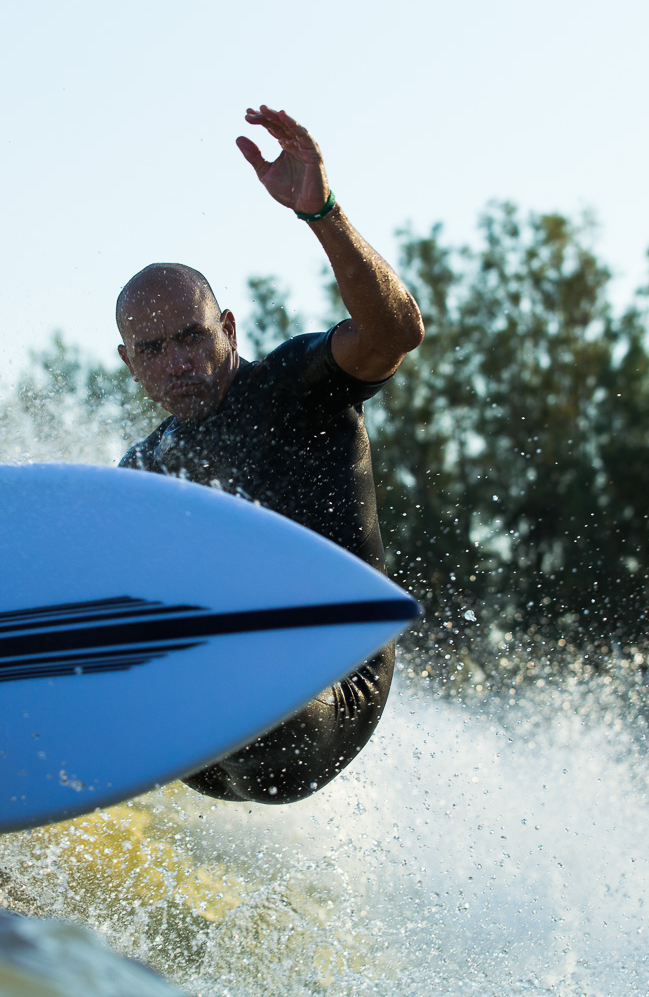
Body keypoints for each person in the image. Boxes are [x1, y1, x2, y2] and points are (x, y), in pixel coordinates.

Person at [115, 105, 424, 803]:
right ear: (131, 364)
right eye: (153, 350)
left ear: (227, 328)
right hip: (211, 741)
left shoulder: (295, 387)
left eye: (192, 337)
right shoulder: (144, 468)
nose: (178, 362)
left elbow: (396, 331)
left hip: (328, 689)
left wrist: (322, 213)